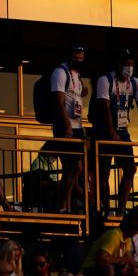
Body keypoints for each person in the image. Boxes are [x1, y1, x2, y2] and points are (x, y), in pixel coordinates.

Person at [90, 50, 138, 216]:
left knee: (130, 168)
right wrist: (111, 133)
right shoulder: (105, 80)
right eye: (126, 63)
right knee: (103, 171)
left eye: (132, 64)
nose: (129, 67)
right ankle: (106, 209)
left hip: (122, 130)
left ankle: (120, 209)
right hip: (103, 130)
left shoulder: (135, 83)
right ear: (118, 64)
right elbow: (104, 108)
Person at [48, 44, 88, 213]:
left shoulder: (77, 75)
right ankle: (63, 204)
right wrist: (66, 125)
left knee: (74, 168)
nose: (78, 61)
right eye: (76, 57)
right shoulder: (60, 72)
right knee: (73, 167)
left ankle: (67, 205)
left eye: (81, 58)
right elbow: (58, 100)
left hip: (77, 125)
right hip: (66, 126)